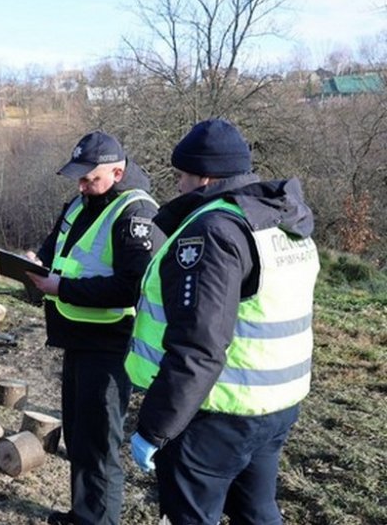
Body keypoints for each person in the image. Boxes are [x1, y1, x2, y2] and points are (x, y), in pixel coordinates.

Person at [125, 119, 320, 524]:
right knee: (257, 510)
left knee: (192, 516)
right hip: (277, 404)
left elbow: (199, 345)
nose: (177, 186)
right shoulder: (281, 220)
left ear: (205, 176)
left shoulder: (213, 231)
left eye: (181, 176)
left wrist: (155, 428)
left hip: (217, 413)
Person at [26, 131, 163, 525]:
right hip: (77, 336)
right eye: (79, 178)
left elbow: (130, 287)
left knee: (101, 445)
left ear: (117, 172)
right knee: (81, 436)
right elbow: (57, 242)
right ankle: (84, 514)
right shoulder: (80, 202)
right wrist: (36, 257)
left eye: (91, 179)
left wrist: (61, 287)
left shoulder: (136, 213)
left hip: (110, 344)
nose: (82, 186)